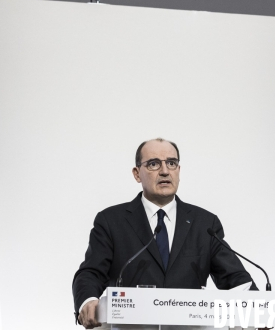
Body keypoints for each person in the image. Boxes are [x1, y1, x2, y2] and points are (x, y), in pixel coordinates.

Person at [72, 138, 257, 328]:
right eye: (153, 164)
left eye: (171, 163)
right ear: (137, 174)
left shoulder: (205, 224)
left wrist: (262, 311)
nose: (165, 171)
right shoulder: (111, 220)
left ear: (179, 170)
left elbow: (234, 278)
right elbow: (91, 272)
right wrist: (87, 301)